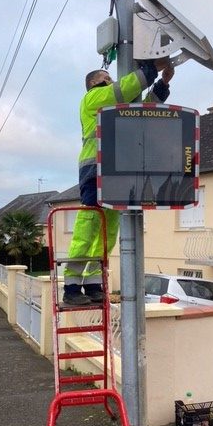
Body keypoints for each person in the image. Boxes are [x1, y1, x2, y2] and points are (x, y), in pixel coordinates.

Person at [63, 59, 175, 306]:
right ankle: (71, 285)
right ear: (94, 82)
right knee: (90, 223)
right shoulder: (93, 98)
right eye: (106, 76)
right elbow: (123, 88)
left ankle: (92, 284)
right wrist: (149, 69)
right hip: (95, 168)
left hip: (117, 170)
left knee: (109, 230)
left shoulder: (116, 106)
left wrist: (162, 83)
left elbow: (143, 109)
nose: (111, 79)